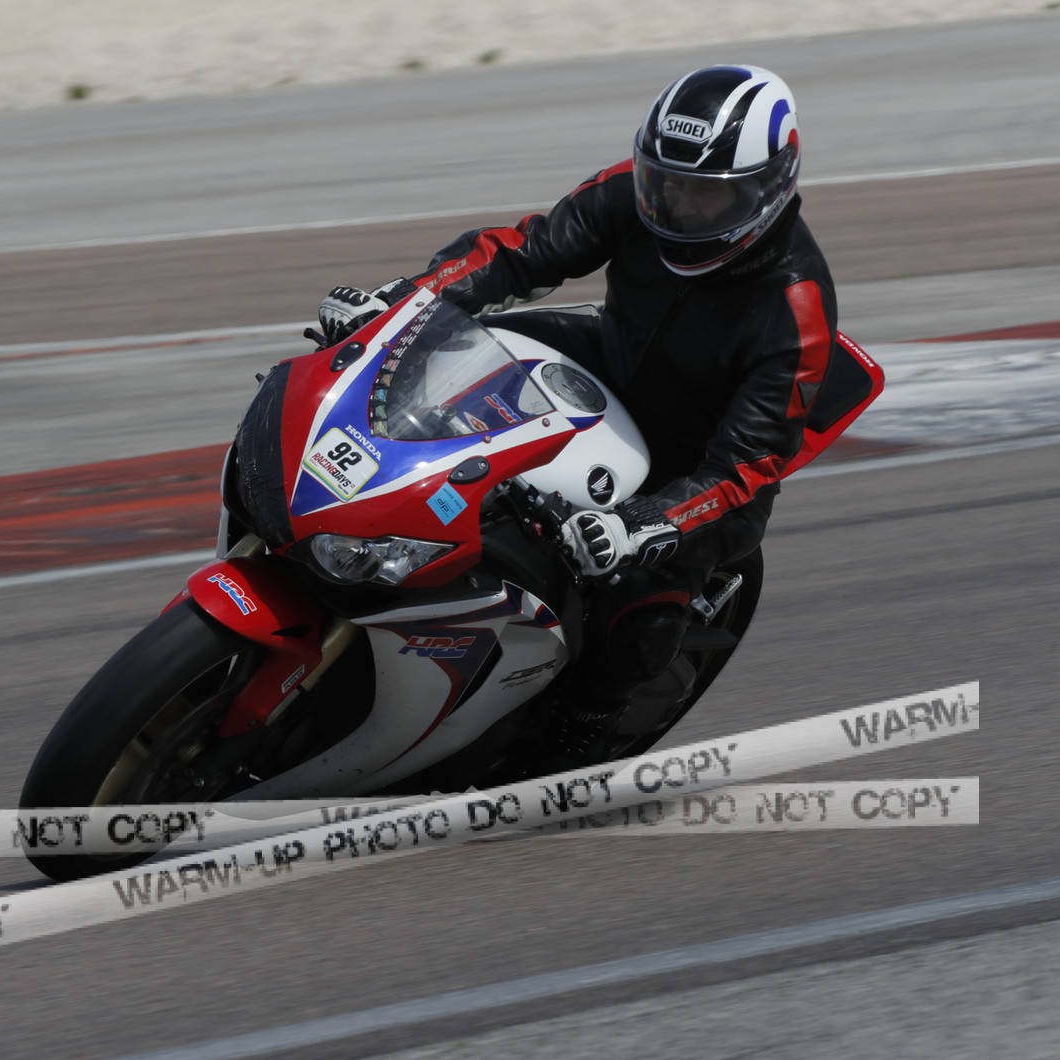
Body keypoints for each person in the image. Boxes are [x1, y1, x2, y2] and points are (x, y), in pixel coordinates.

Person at [316, 64, 835, 764]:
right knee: (440, 352)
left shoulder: (796, 308)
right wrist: (403, 301)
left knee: (640, 608)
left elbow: (749, 464)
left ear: (766, 190)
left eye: (704, 194)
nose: (677, 206)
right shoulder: (633, 190)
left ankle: (582, 733)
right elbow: (523, 252)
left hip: (696, 462)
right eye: (665, 182)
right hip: (609, 361)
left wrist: (642, 524)